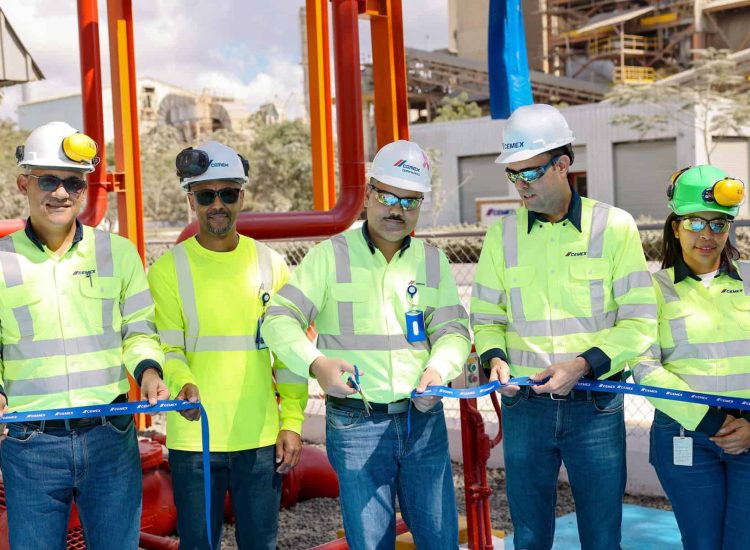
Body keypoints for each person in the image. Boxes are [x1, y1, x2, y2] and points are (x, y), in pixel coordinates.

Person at [262, 140, 471, 550]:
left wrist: (439, 369)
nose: (397, 209)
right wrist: (316, 363)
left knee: (440, 540)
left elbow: (453, 332)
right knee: (371, 543)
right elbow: (278, 320)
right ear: (369, 191)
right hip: (356, 423)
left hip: (421, 420)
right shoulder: (329, 257)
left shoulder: (432, 262)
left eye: (410, 201)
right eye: (388, 196)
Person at [471, 104, 657, 550]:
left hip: (594, 405)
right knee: (530, 537)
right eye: (512, 174)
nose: (520, 185)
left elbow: (640, 322)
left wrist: (582, 365)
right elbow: (486, 317)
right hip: (524, 410)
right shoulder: (503, 235)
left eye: (529, 173)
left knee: (600, 535)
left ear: (562, 164)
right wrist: (493, 358)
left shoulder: (613, 227)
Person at [0, 121, 167, 550]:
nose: (60, 193)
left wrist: (148, 371)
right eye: (49, 180)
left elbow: (140, 330)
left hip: (109, 436)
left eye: (73, 183)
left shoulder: (119, 253)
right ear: (24, 183)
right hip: (30, 441)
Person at [147, 141, 307, 550]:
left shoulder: (271, 264)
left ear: (242, 195)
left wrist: (291, 421)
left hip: (259, 437)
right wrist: (182, 382)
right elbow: (169, 349)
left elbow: (289, 355)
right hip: (194, 437)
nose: (217, 204)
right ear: (191, 199)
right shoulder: (168, 270)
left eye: (228, 193)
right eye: (206, 195)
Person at [632, 165, 750, 550]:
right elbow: (645, 368)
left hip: (749, 432)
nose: (707, 235)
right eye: (696, 222)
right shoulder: (651, 290)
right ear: (675, 226)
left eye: (719, 224)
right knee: (701, 542)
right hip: (685, 434)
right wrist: (709, 421)